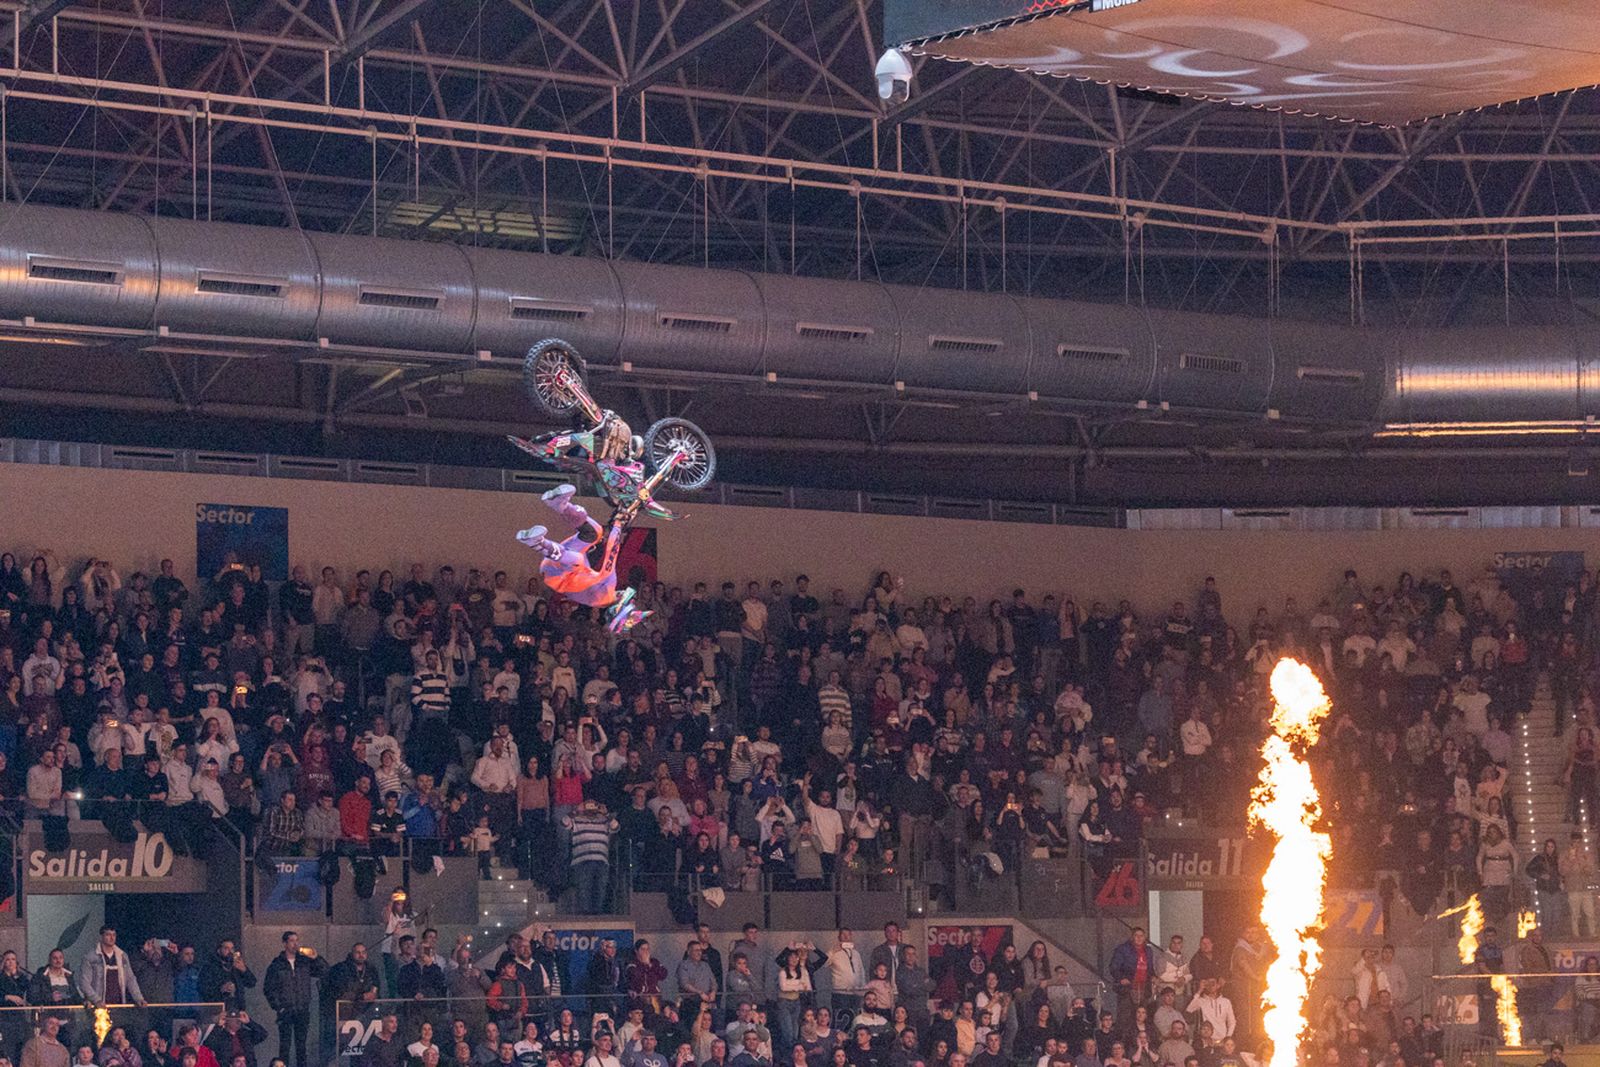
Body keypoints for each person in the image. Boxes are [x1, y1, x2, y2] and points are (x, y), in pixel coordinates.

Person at [262, 932, 328, 1067]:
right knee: (285, 1046)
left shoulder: (305, 961)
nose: (295, 944)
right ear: (285, 943)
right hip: (285, 1010)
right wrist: (278, 1006)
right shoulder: (277, 964)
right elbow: (269, 988)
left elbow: (325, 971)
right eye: (292, 941)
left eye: (297, 940)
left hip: (302, 1009)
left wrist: (316, 958)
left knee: (301, 1046)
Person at [78, 926, 147, 1008]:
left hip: (119, 1006)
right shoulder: (90, 957)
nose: (112, 938)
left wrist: (139, 998)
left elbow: (130, 979)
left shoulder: (122, 956)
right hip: (98, 1007)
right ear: (101, 936)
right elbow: (84, 983)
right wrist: (96, 1000)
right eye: (108, 935)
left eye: (114, 935)